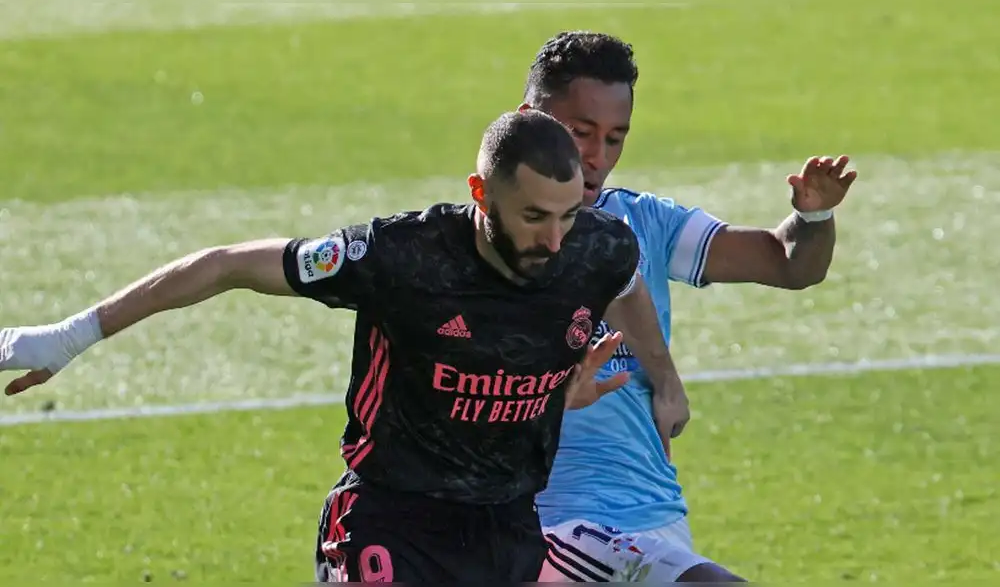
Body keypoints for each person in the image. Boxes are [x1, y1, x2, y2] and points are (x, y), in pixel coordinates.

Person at [0, 109, 690, 582]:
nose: (554, 240)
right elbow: (226, 265)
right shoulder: (399, 257)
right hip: (391, 521)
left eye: (568, 217)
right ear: (480, 193)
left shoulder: (594, 248)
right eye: (534, 216)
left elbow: (624, 280)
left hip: (508, 528)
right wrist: (70, 336)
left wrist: (653, 378)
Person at [520, 32, 859, 582]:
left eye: (615, 138)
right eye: (580, 133)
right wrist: (661, 375)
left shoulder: (646, 222)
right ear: (528, 121)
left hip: (657, 516)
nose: (596, 157)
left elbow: (788, 263)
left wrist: (813, 216)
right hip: (552, 525)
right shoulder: (477, 247)